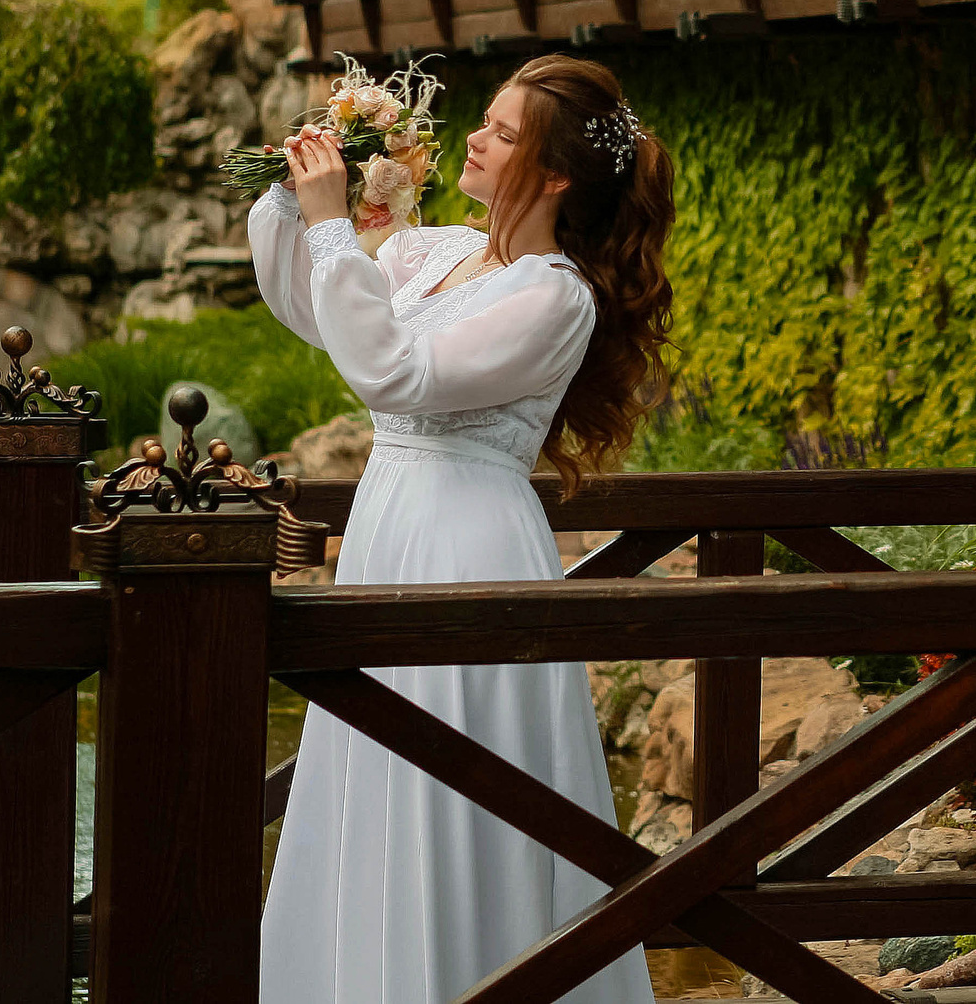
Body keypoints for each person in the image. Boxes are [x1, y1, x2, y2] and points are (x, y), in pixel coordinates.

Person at [250, 54, 671, 1004]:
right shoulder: (434, 252)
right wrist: (292, 196)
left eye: (503, 133)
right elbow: (319, 310)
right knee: (378, 775)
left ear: (554, 177)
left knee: (464, 782)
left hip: (468, 542)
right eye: (483, 119)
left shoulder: (553, 296)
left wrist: (332, 225)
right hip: (390, 526)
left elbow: (397, 375)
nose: (474, 139)